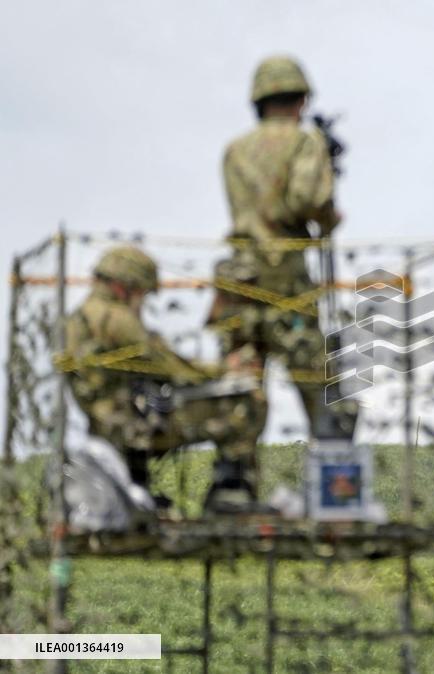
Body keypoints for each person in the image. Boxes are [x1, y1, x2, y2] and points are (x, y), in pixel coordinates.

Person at [208, 54, 355, 439]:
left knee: (240, 386)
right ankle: (336, 479)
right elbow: (304, 199)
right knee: (318, 381)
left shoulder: (234, 150)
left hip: (238, 280)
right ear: (301, 100)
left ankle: (233, 484)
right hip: (285, 277)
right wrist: (327, 215)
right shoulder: (305, 143)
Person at [64, 245, 268, 514]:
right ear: (124, 287)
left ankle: (139, 484)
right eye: (142, 294)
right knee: (245, 402)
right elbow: (168, 367)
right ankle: (230, 492)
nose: (142, 303)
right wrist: (222, 370)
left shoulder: (81, 316)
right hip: (133, 425)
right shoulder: (115, 318)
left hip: (112, 422)